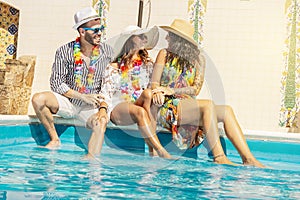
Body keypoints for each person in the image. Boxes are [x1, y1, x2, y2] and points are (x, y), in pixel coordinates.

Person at [151, 19, 265, 167]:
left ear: (179, 40)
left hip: (188, 105)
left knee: (226, 111)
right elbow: (154, 82)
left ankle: (248, 159)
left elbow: (195, 89)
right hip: (169, 106)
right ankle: (218, 156)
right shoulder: (164, 54)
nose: (166, 38)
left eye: (170, 35)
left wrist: (172, 89)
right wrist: (159, 92)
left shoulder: (199, 59)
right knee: (207, 105)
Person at [31, 7, 114, 159]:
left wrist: (101, 107)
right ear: (82, 32)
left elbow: (109, 85)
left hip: (90, 107)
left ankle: (90, 163)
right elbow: (56, 83)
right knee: (38, 99)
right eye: (95, 30)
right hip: (68, 101)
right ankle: (55, 139)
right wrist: (82, 96)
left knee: (101, 122)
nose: (100, 33)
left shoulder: (107, 52)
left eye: (101, 28)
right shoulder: (64, 51)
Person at [102, 25, 171, 159]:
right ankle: (160, 151)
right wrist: (103, 110)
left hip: (138, 104)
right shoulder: (113, 67)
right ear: (130, 39)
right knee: (140, 112)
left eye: (145, 37)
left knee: (148, 94)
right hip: (118, 107)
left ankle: (153, 151)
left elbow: (153, 87)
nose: (145, 39)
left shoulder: (148, 66)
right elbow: (106, 93)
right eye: (141, 36)